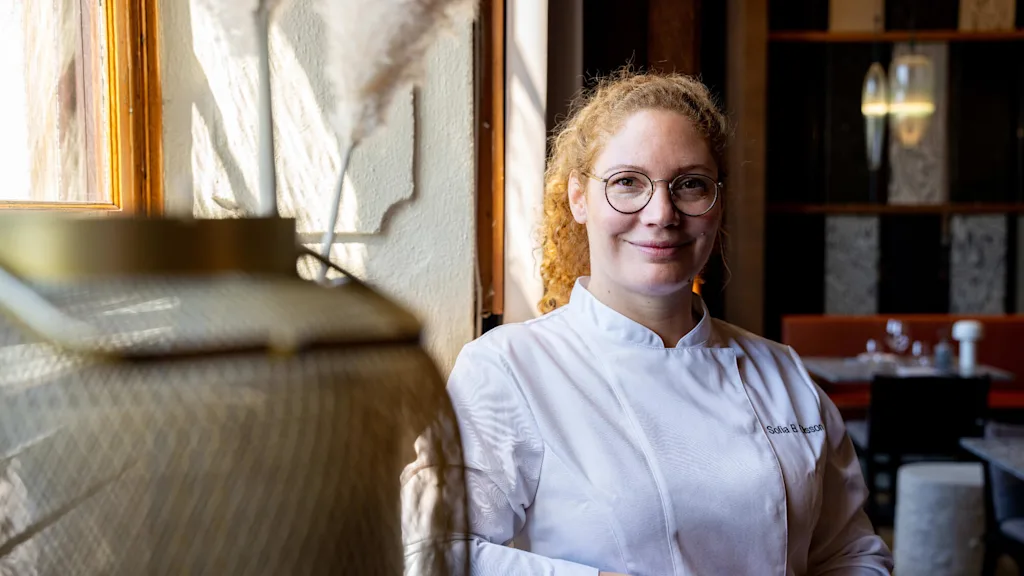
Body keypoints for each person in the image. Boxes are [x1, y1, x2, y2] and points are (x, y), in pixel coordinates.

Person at [402, 70, 893, 575]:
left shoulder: (782, 373)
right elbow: (434, 552)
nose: (661, 213)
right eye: (627, 183)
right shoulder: (509, 369)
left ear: (718, 202)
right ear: (578, 198)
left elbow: (850, 553)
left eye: (690, 184)